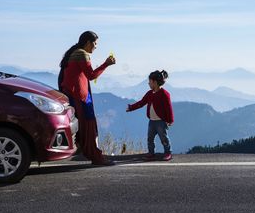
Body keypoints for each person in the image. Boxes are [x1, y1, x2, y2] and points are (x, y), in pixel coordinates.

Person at [58, 30, 115, 166]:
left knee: (82, 125)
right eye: (95, 43)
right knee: (88, 125)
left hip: (72, 94)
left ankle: (85, 150)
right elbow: (91, 75)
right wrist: (106, 63)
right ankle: (95, 156)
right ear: (88, 43)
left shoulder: (74, 52)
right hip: (80, 96)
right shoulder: (82, 54)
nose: (96, 46)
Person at [126, 70, 174, 161]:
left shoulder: (164, 94)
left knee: (164, 138)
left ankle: (168, 153)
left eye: (150, 81)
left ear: (155, 82)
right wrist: (131, 107)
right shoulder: (149, 94)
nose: (148, 83)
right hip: (152, 121)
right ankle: (151, 153)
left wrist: (170, 120)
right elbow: (142, 102)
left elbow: (169, 108)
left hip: (161, 122)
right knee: (150, 138)